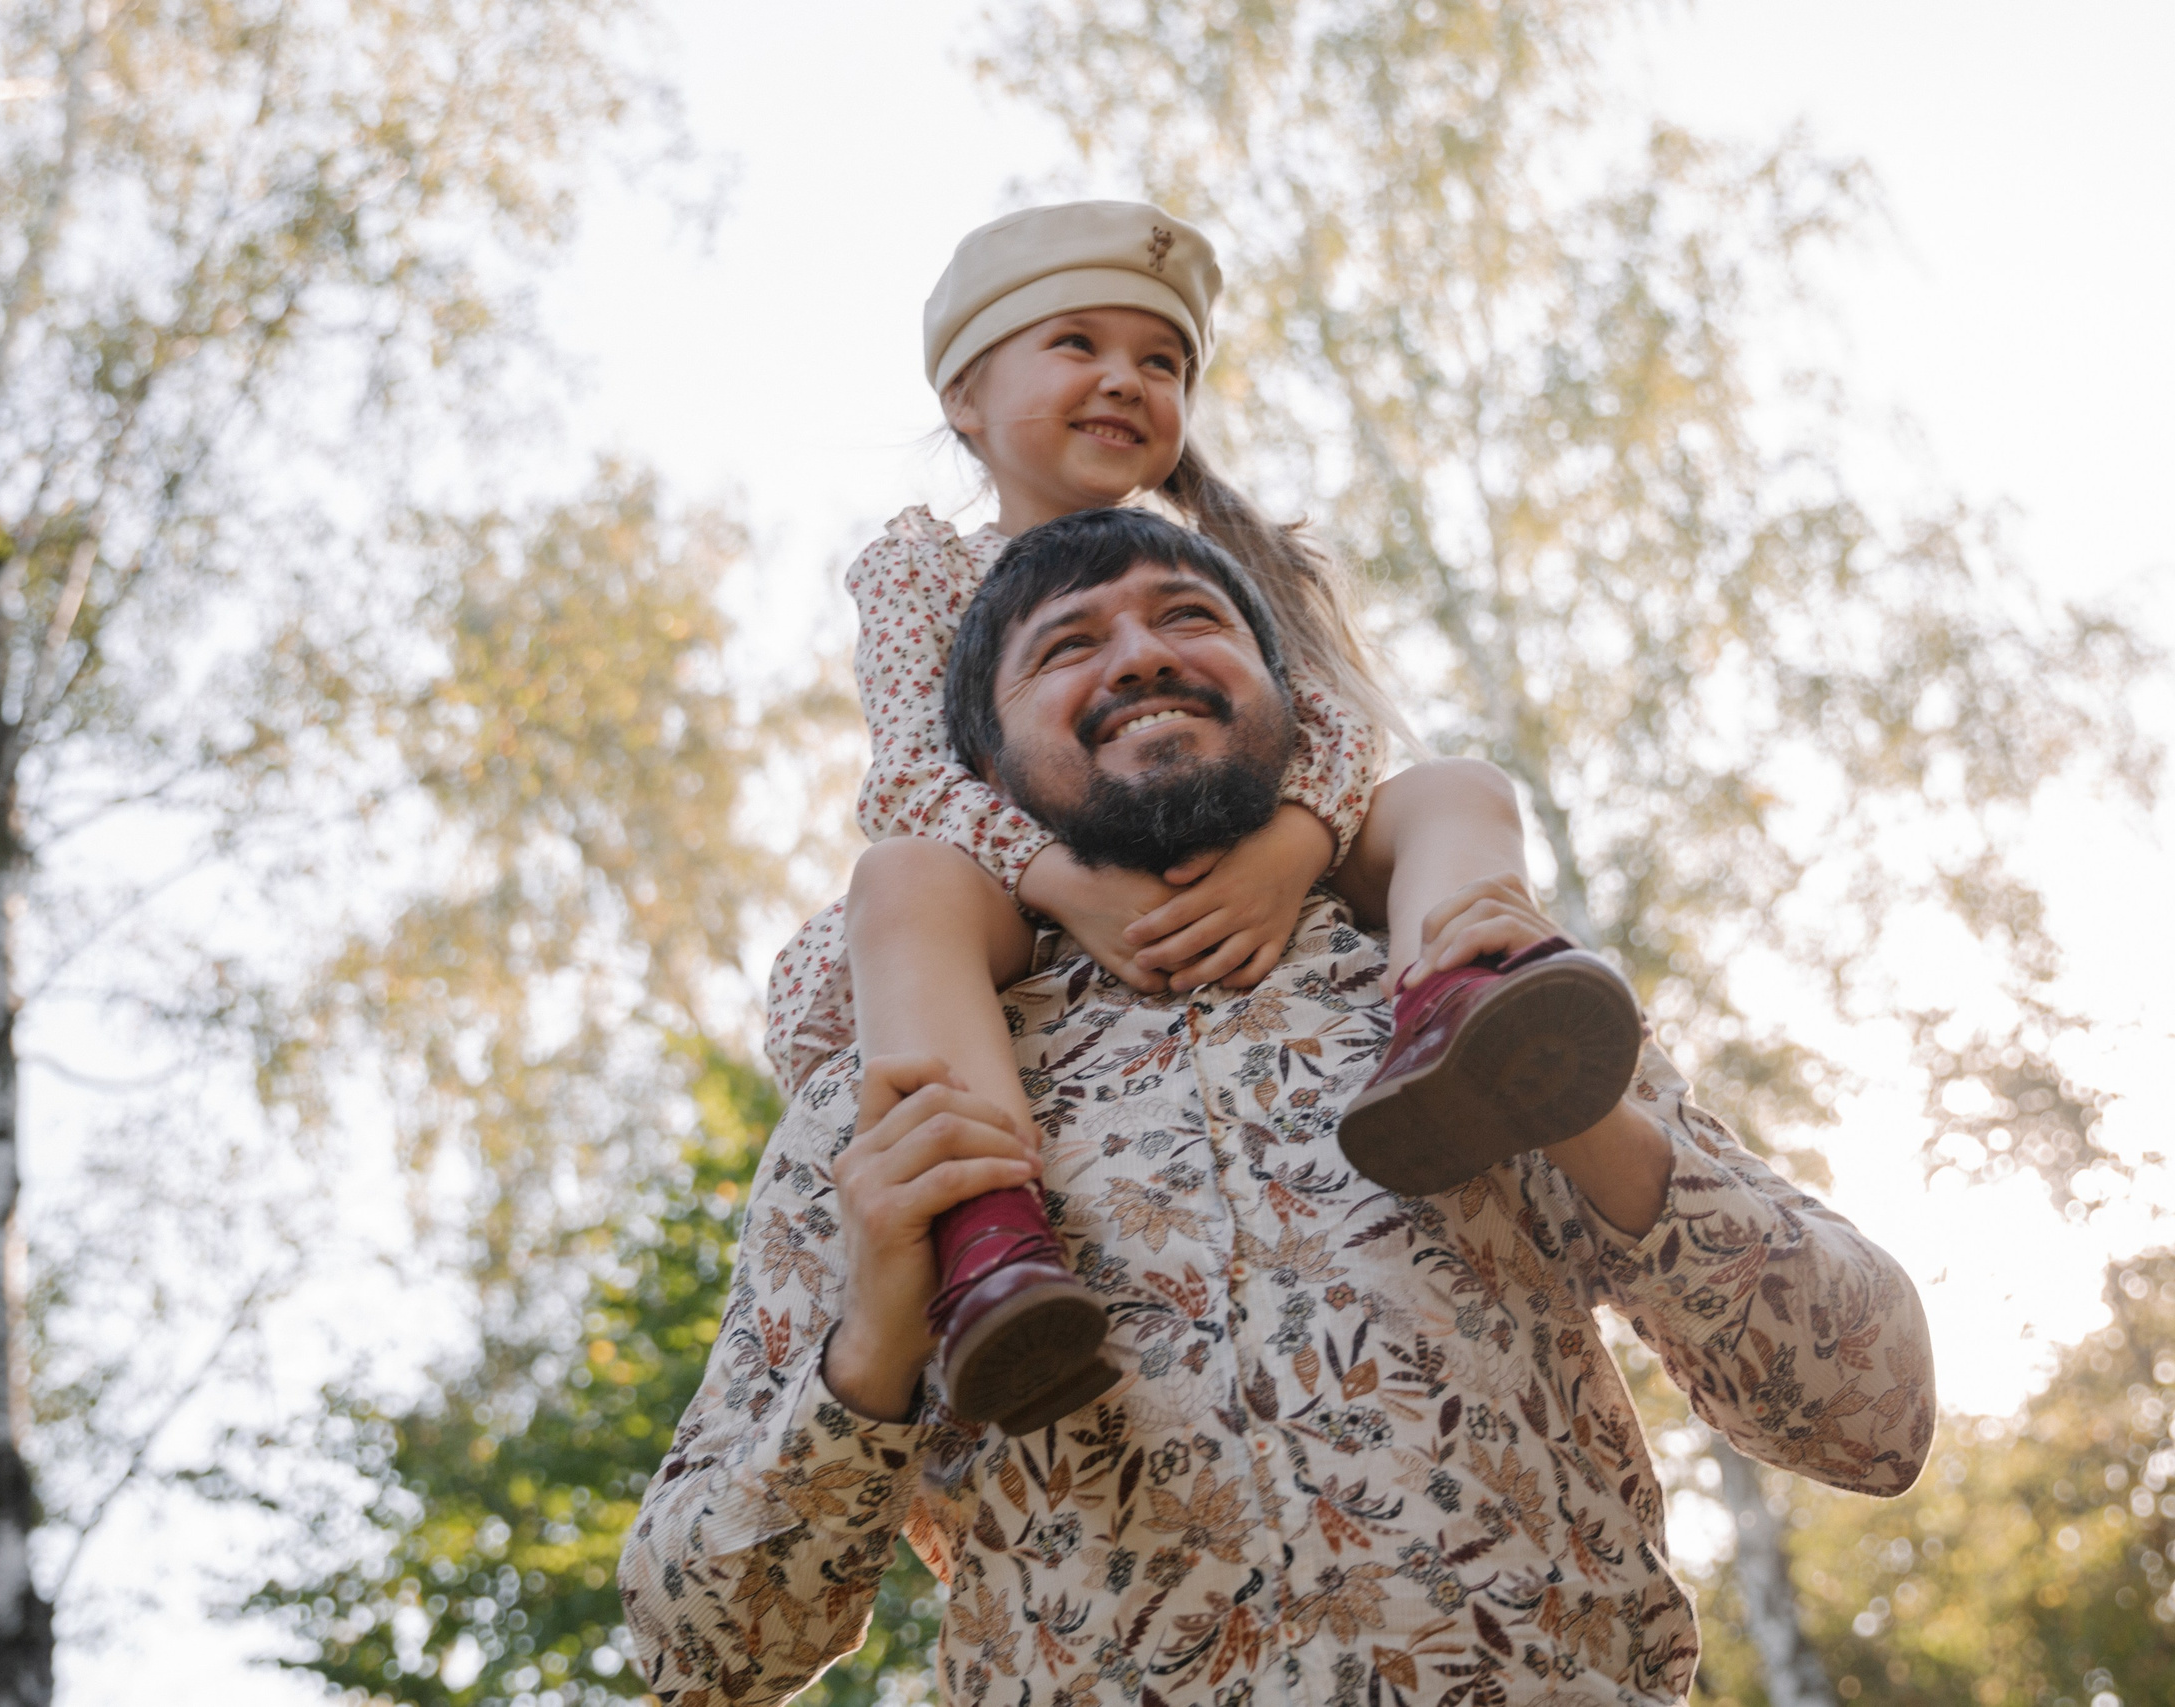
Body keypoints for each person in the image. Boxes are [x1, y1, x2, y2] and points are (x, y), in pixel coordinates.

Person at [620, 507, 1934, 1707]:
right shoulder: (892, 1106)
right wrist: (875, 1338)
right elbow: (698, 1654)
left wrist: (1582, 1117)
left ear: (1289, 704)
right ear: (985, 760)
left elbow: (1873, 1416)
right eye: (1069, 644)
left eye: (1189, 616)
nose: (1140, 654)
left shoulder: (1471, 976)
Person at [770, 201, 1643, 1434]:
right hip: (1024, 895)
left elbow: (1342, 735)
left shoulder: (1223, 568)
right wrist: (1058, 881)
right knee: (906, 876)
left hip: (1248, 849)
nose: (1124, 377)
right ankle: (985, 1236)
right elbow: (912, 774)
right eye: (1076, 343)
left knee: (1456, 790)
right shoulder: (924, 572)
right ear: (964, 398)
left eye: (1161, 360)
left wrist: (1291, 851)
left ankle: (1465, 1002)